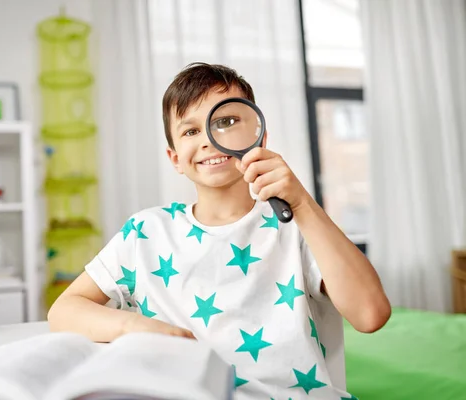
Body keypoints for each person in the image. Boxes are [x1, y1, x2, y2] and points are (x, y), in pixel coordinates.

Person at [48, 62, 391, 399]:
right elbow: (64, 309)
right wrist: (138, 327)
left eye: (226, 122)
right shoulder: (144, 232)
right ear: (175, 159)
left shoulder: (296, 225)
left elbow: (370, 314)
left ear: (259, 135)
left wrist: (302, 203)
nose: (209, 141)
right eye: (190, 131)